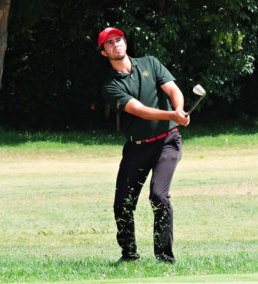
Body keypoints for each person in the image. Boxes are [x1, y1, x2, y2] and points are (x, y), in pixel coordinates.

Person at [98, 27, 190, 264]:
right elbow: (140, 111)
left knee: (158, 196)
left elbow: (172, 89)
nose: (116, 44)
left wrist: (178, 109)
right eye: (109, 43)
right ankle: (129, 255)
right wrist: (172, 115)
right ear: (103, 52)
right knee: (122, 204)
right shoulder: (110, 85)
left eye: (118, 40)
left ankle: (164, 258)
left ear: (125, 42)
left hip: (167, 143)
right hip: (137, 148)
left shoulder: (150, 62)